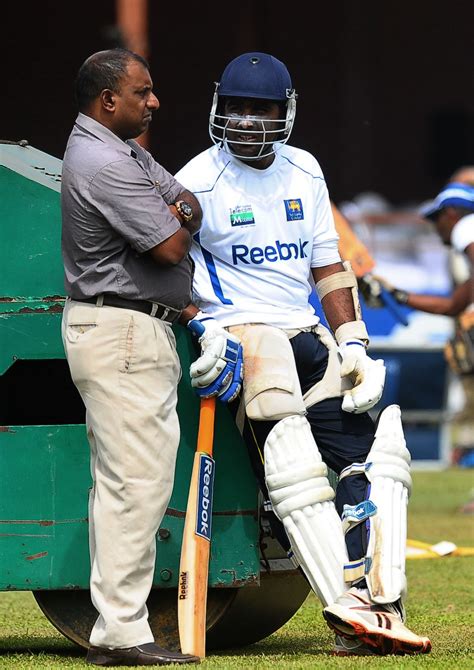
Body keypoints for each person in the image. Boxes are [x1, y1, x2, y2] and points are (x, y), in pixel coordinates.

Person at [175, 51, 431, 656]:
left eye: (259, 109)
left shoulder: (305, 171)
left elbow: (327, 265)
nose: (246, 121)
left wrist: (353, 344)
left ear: (285, 111)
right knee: (292, 459)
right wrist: (203, 327)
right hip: (245, 336)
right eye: (236, 108)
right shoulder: (196, 180)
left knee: (370, 459)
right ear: (218, 107)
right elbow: (167, 268)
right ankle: (343, 609)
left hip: (305, 334)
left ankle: (381, 601)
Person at [61, 48, 242, 666]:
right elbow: (171, 245)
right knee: (134, 487)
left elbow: (187, 201)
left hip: (134, 329)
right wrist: (176, 219)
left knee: (126, 486)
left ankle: (117, 628)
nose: (154, 101)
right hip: (122, 330)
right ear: (108, 99)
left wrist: (178, 213)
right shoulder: (105, 159)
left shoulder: (121, 148)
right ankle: (121, 632)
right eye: (143, 92)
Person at [361, 175, 474, 461]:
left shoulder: (466, 226)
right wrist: (399, 296)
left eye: (437, 219)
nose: (435, 227)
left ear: (451, 214)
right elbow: (454, 305)